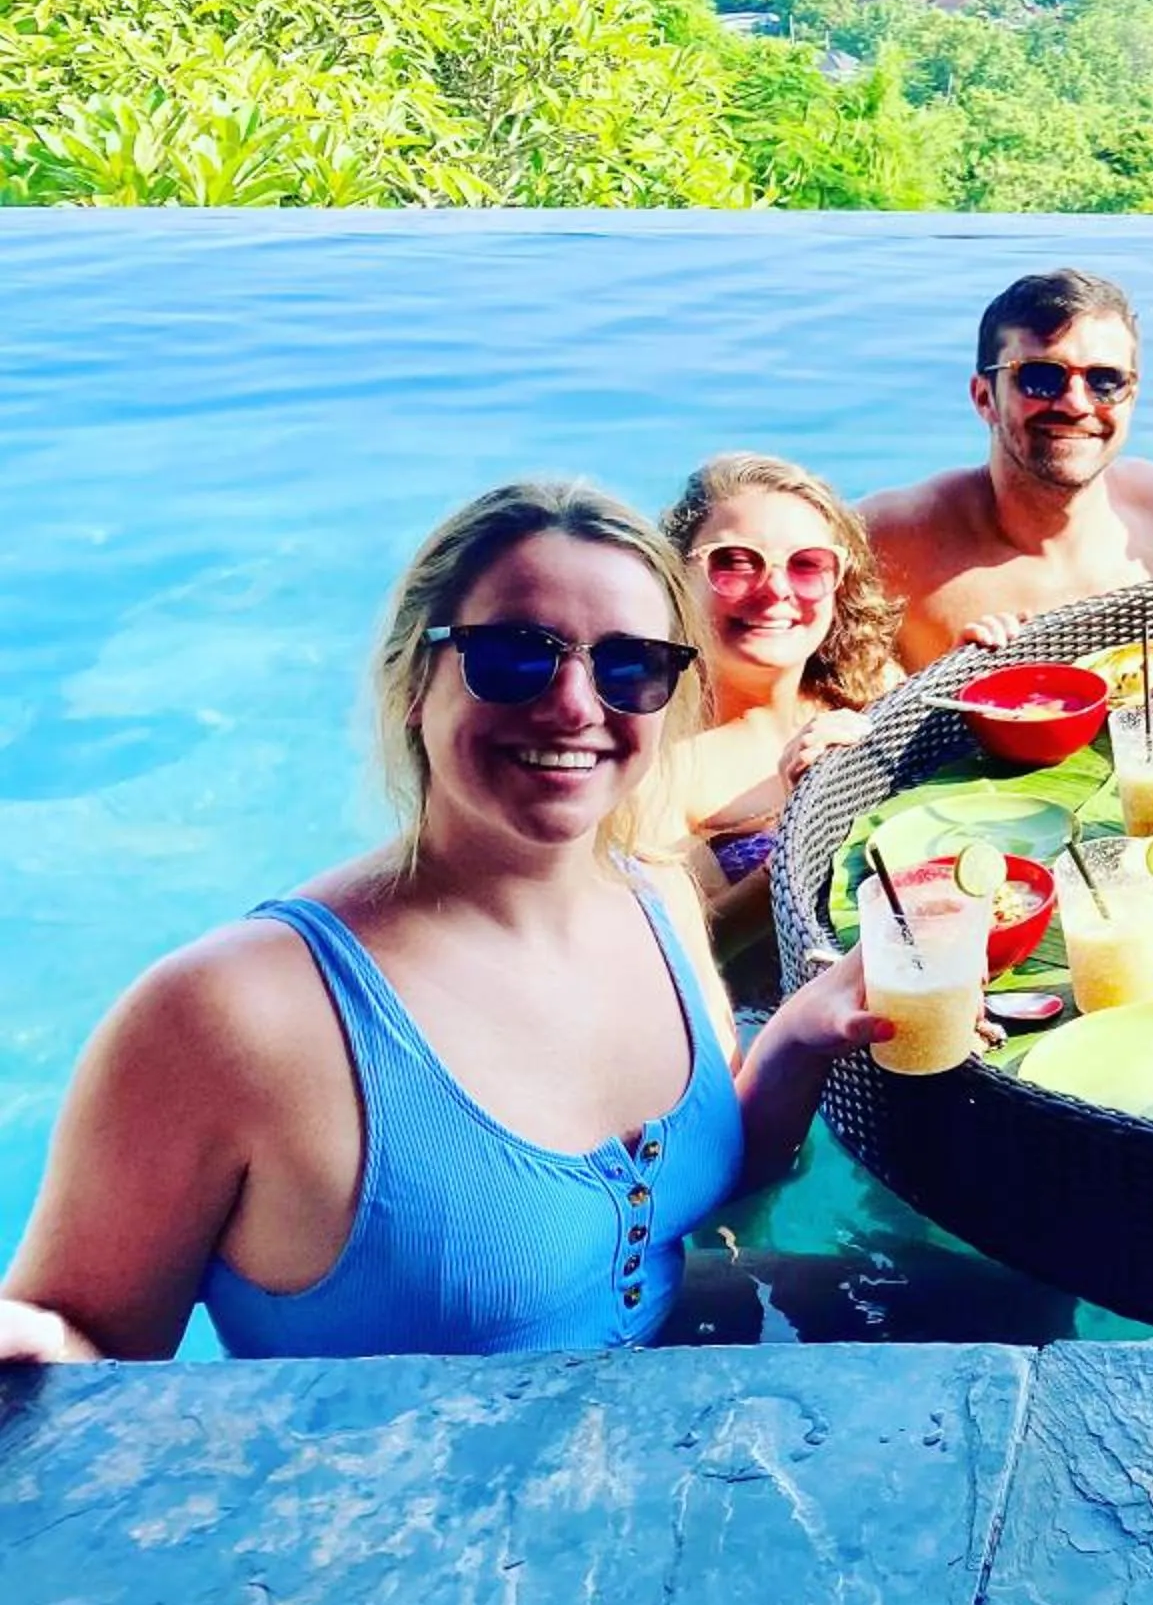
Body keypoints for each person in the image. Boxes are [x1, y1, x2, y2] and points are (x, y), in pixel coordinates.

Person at [0, 480, 889, 1362]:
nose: (578, 706)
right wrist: (40, 1341)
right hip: (410, 1493)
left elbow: (712, 1173)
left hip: (654, 1414)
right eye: (514, 657)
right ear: (416, 681)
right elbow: (86, 1356)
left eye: (630, 666)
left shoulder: (654, 896)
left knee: (1022, 1320)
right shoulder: (229, 1016)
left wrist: (803, 1037)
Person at [863, 269, 1153, 667]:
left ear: (1131, 397)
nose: (1075, 404)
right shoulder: (893, 539)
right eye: (1040, 377)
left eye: (1105, 381)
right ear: (984, 398)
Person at [649, 452, 903, 981]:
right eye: (735, 563)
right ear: (675, 579)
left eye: (808, 565)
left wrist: (984, 685)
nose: (776, 591)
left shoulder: (867, 683)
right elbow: (695, 954)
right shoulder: (658, 764)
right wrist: (802, 831)